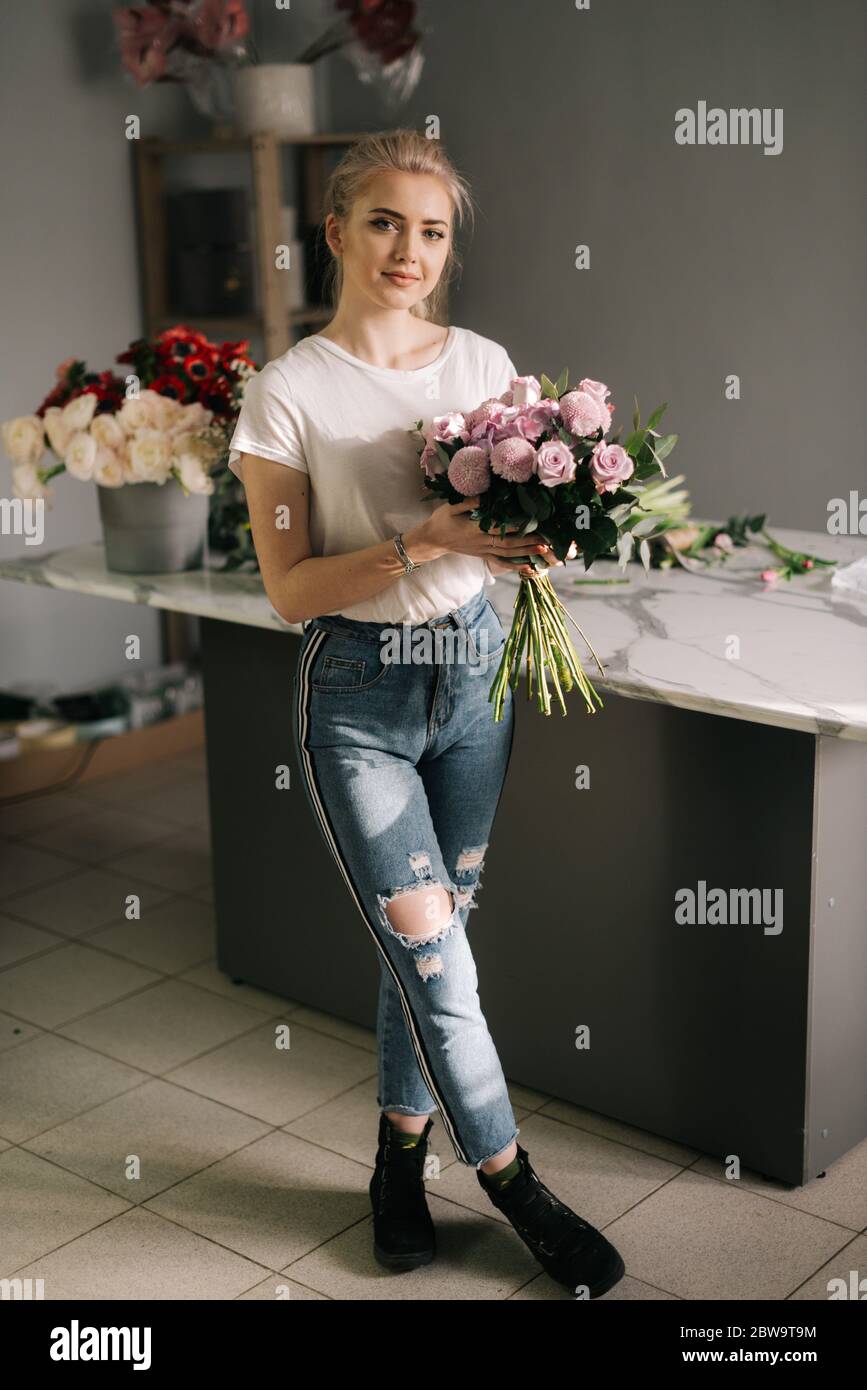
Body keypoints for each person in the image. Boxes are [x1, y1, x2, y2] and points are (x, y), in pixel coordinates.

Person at [227, 128, 624, 1299]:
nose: (411, 250)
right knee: (435, 957)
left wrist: (526, 550)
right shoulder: (287, 391)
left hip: (479, 678)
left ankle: (398, 1164)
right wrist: (424, 540)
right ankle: (515, 1183)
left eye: (434, 230)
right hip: (359, 700)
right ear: (339, 231)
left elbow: (504, 539)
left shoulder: (484, 363)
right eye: (387, 223)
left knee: (438, 939)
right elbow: (291, 590)